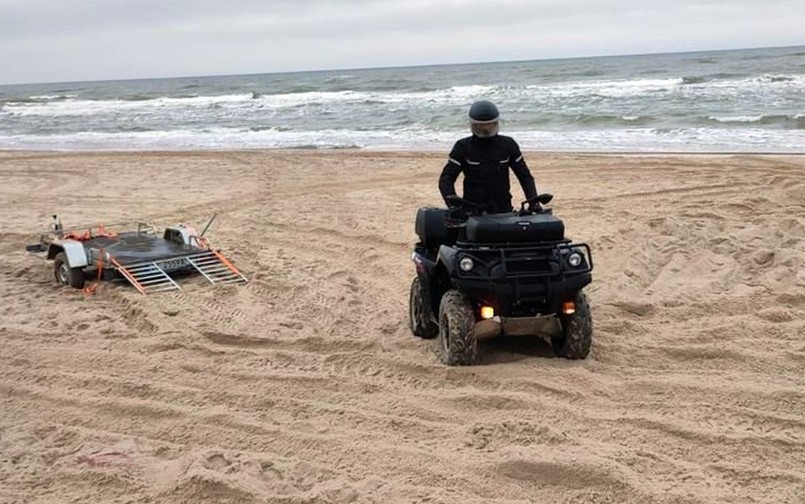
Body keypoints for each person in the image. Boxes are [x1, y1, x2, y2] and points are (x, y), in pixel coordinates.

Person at [438, 100, 538, 213]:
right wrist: (453, 206)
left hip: (503, 210)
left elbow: (525, 176)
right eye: (481, 125)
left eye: (490, 124)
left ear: (496, 123)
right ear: (473, 124)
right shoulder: (463, 147)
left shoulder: (508, 145)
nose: (486, 129)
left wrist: (534, 202)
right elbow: (446, 178)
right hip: (472, 210)